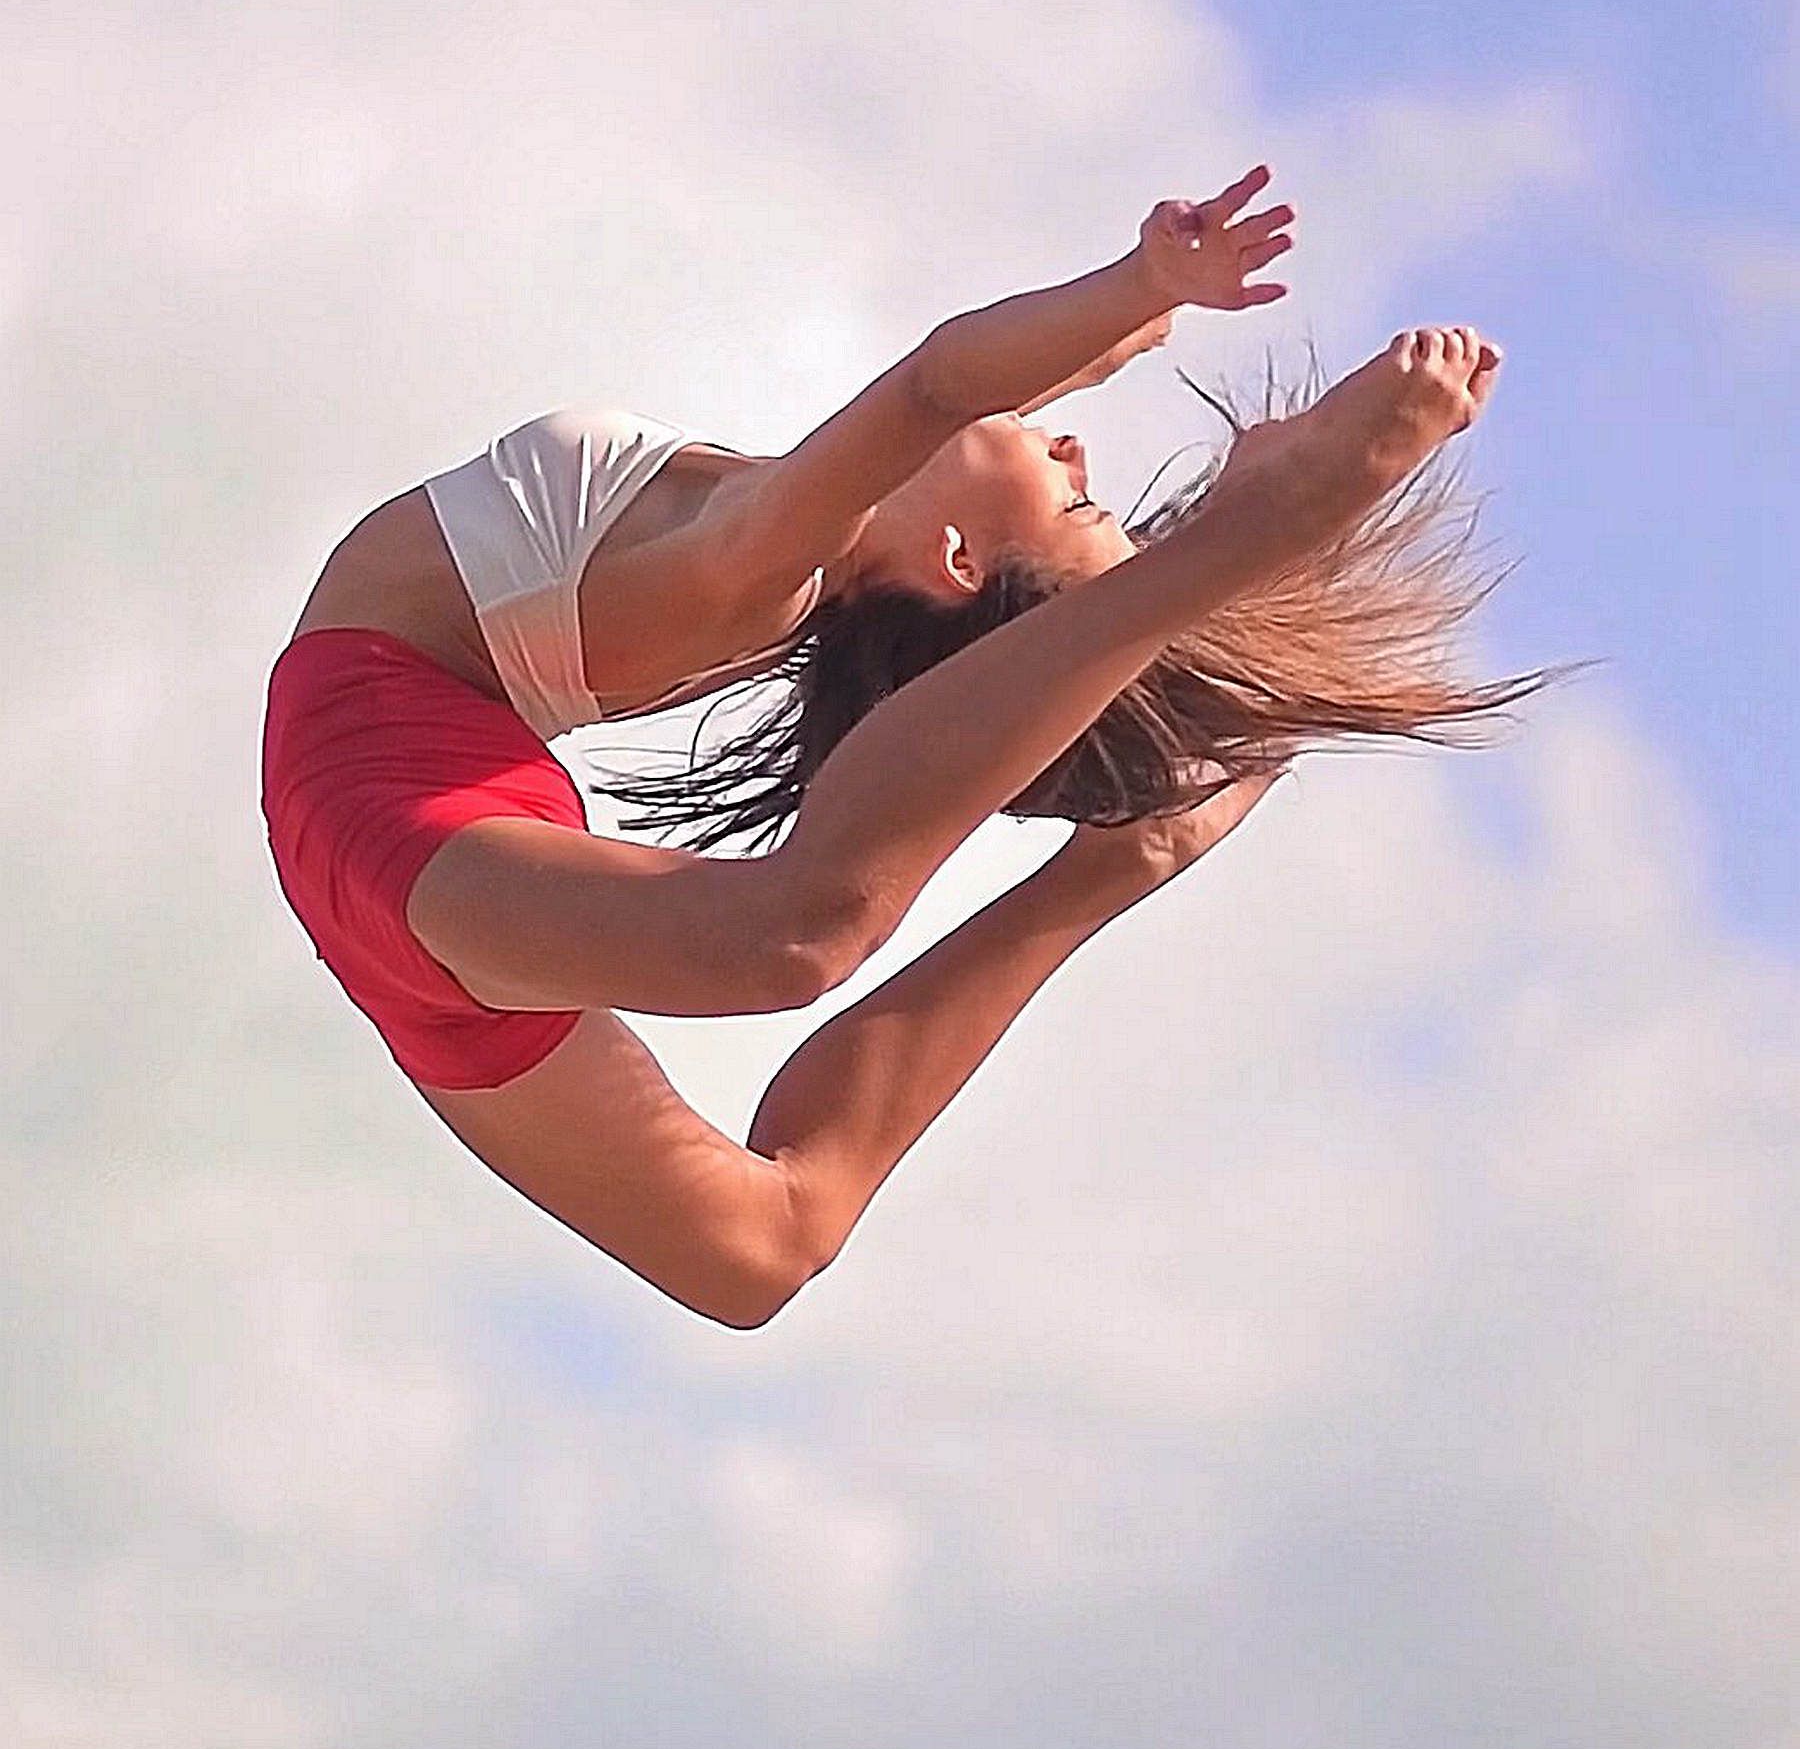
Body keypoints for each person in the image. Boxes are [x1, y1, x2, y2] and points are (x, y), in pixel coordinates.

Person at [261, 169, 1530, 1327]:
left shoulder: (762, 565)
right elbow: (992, 396)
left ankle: (1181, 686)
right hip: (443, 829)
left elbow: (940, 387)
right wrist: (1148, 317)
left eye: (1080, 498)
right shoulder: (839, 539)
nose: (1078, 448)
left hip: (387, 785)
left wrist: (1156, 317)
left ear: (958, 560)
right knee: (762, 1249)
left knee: (792, 942)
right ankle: (1122, 857)